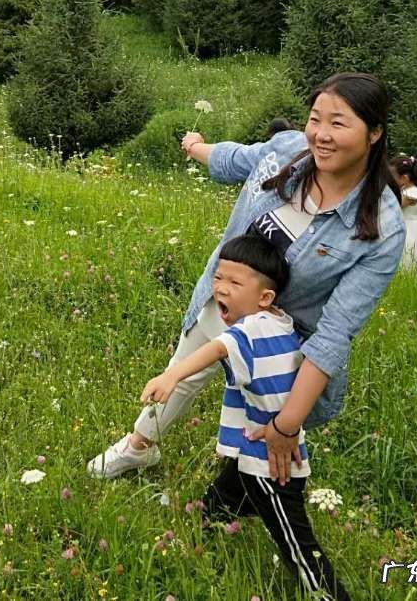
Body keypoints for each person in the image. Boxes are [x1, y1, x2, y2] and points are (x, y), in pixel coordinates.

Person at [88, 72, 405, 485]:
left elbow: (334, 334)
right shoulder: (287, 152)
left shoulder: (380, 227)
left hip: (278, 337)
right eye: (315, 119)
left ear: (374, 133)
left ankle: (237, 493)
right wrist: (195, 146)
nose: (321, 135)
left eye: (338, 123)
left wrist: (288, 425)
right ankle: (139, 447)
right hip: (224, 297)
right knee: (183, 371)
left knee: (263, 425)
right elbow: (235, 158)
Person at [141, 231, 351, 601]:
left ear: (265, 296)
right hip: (262, 443)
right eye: (218, 277)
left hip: (270, 457)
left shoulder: (249, 329)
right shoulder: (281, 321)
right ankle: (205, 525)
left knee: (294, 539)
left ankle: (327, 593)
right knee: (227, 489)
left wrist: (172, 374)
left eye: (235, 282)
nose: (221, 287)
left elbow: (218, 347)